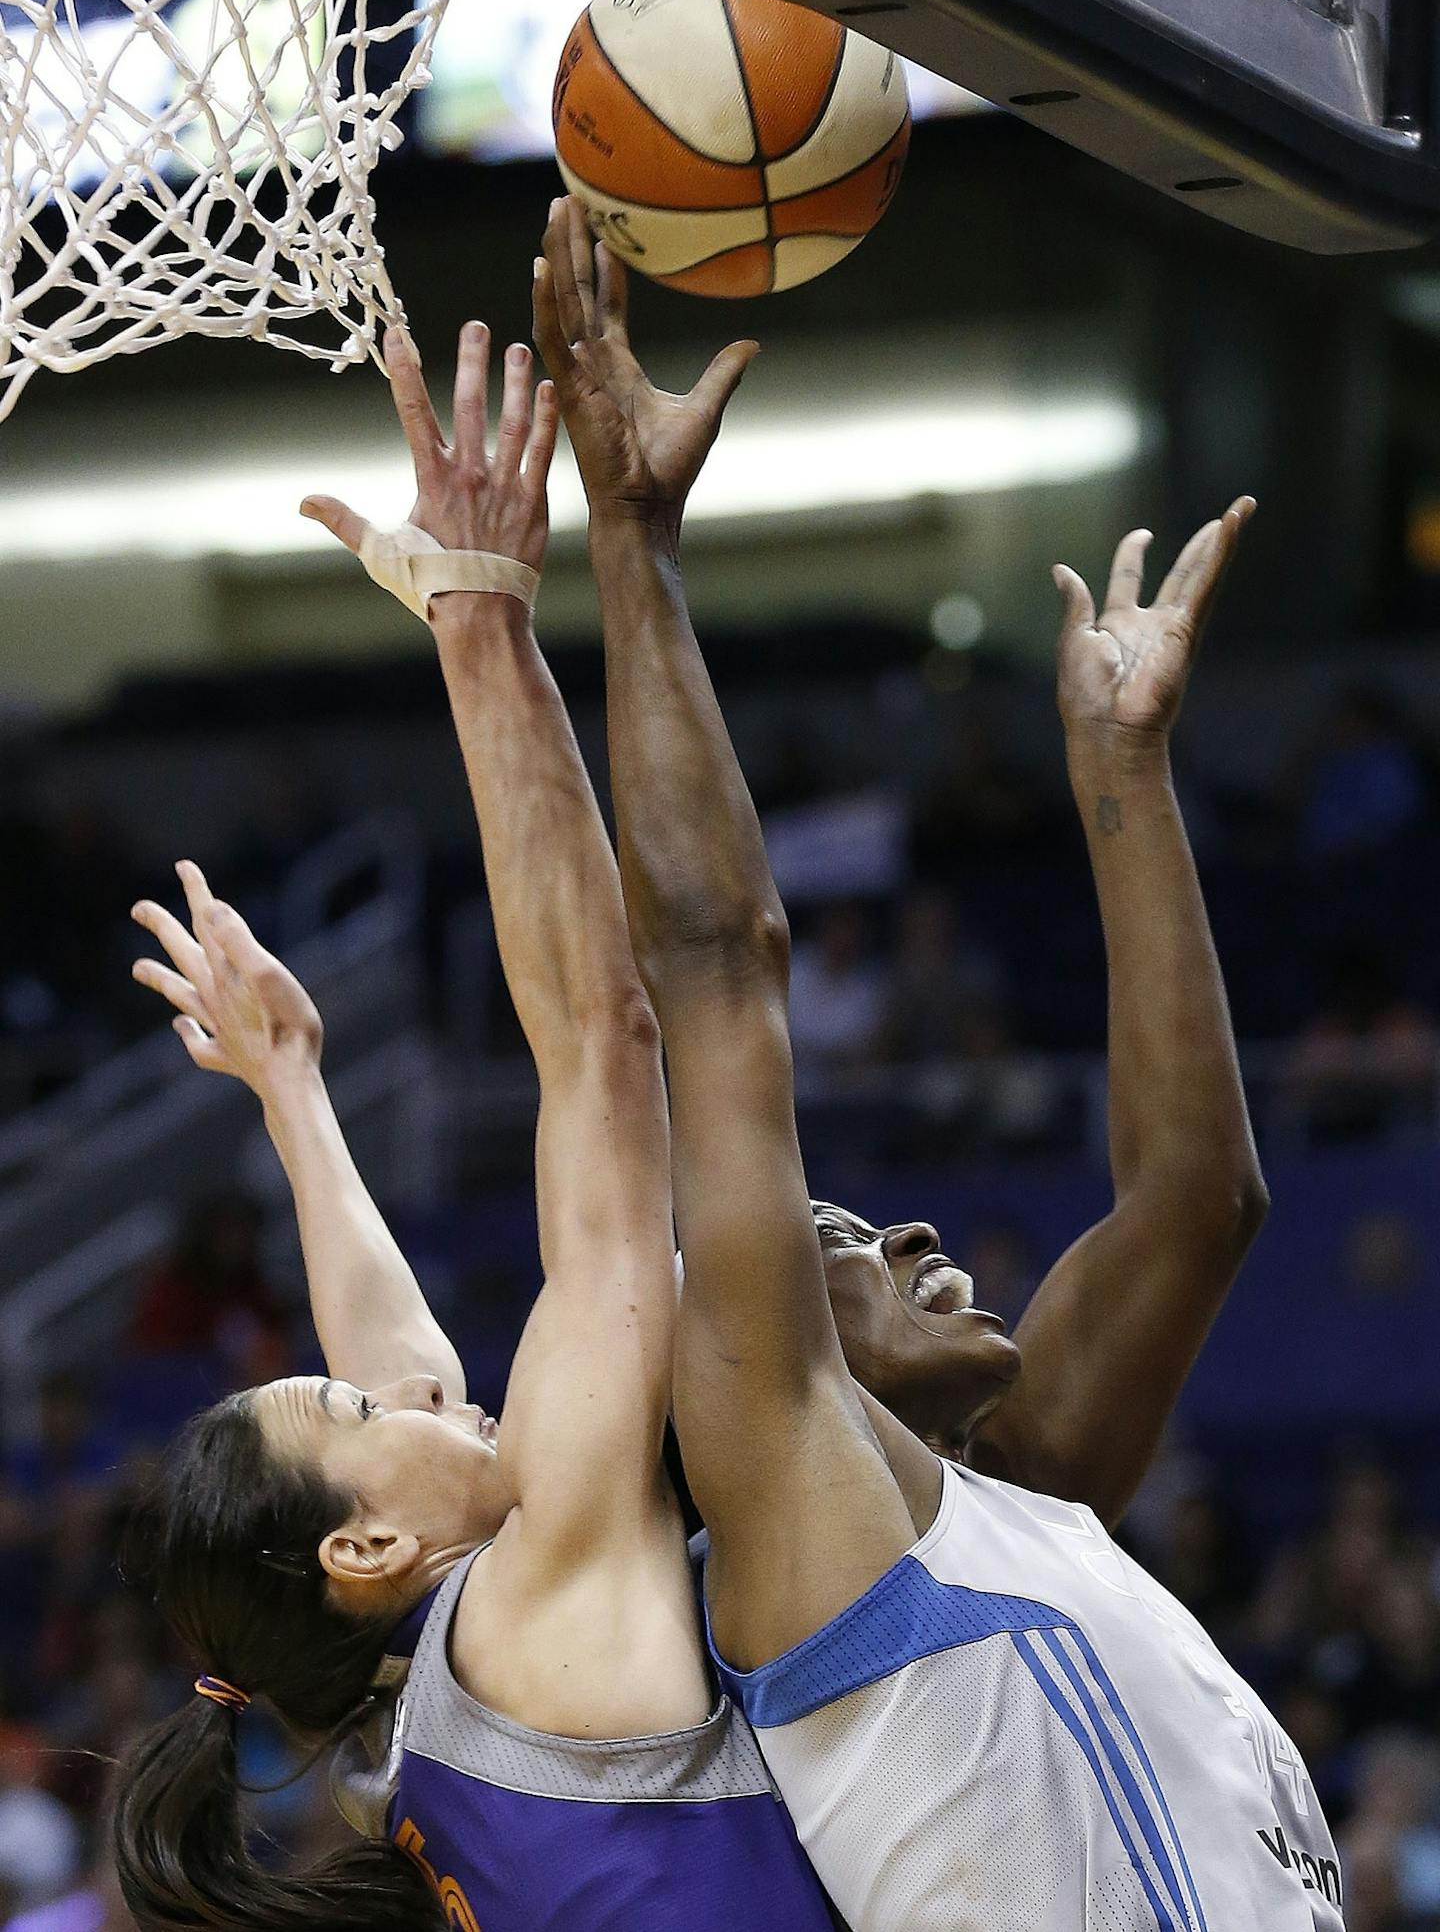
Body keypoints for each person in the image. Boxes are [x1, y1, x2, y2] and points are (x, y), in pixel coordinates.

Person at [534, 193, 1341, 1931]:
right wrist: (630, 542)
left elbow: (1198, 1197)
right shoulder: (800, 1500)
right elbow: (717, 966)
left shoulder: (1018, 1498)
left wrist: (1123, 772)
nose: (903, 1236)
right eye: (838, 1236)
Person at [113, 325, 835, 1931]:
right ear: (368, 1540)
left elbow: (399, 1360)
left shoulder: (406, 1708)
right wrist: (482, 625)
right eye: (362, 1405)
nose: (424, 1381)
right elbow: (602, 1046)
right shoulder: (543, 1596)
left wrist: (297, 1092)